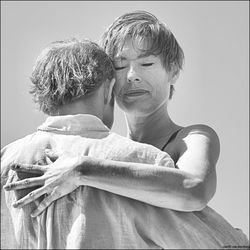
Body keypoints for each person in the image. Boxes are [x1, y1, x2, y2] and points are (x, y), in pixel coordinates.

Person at [2, 11, 249, 249]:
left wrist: (82, 168)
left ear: (173, 71)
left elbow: (194, 188)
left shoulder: (191, 137)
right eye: (120, 67)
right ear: (106, 82)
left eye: (147, 63)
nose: (132, 76)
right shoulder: (113, 147)